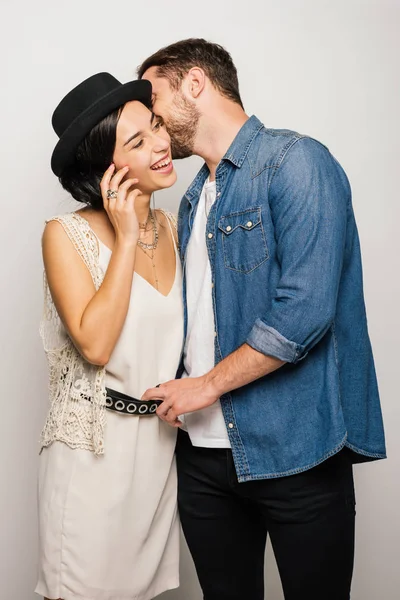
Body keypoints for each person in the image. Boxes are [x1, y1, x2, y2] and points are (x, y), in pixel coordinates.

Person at [138, 39, 386, 600]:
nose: (154, 126)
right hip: (202, 461)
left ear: (195, 83)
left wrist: (203, 387)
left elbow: (304, 312)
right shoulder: (194, 194)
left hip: (297, 451)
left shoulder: (296, 160)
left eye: (156, 103)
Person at [35, 72, 183, 600]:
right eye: (138, 142)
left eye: (157, 128)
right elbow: (95, 345)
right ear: (105, 168)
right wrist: (123, 239)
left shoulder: (171, 227)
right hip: (92, 461)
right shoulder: (65, 235)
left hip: (158, 459)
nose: (162, 145)